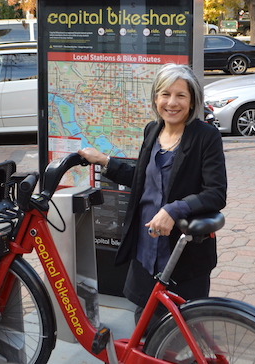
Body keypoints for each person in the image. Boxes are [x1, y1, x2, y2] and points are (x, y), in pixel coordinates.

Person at [78, 64, 227, 321]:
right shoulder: (152, 130)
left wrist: (173, 209)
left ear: (192, 101)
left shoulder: (206, 136)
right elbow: (142, 180)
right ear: (155, 98)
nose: (172, 102)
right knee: (145, 323)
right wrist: (104, 160)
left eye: (181, 95)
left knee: (183, 328)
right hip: (145, 248)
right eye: (165, 94)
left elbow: (215, 193)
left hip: (183, 252)